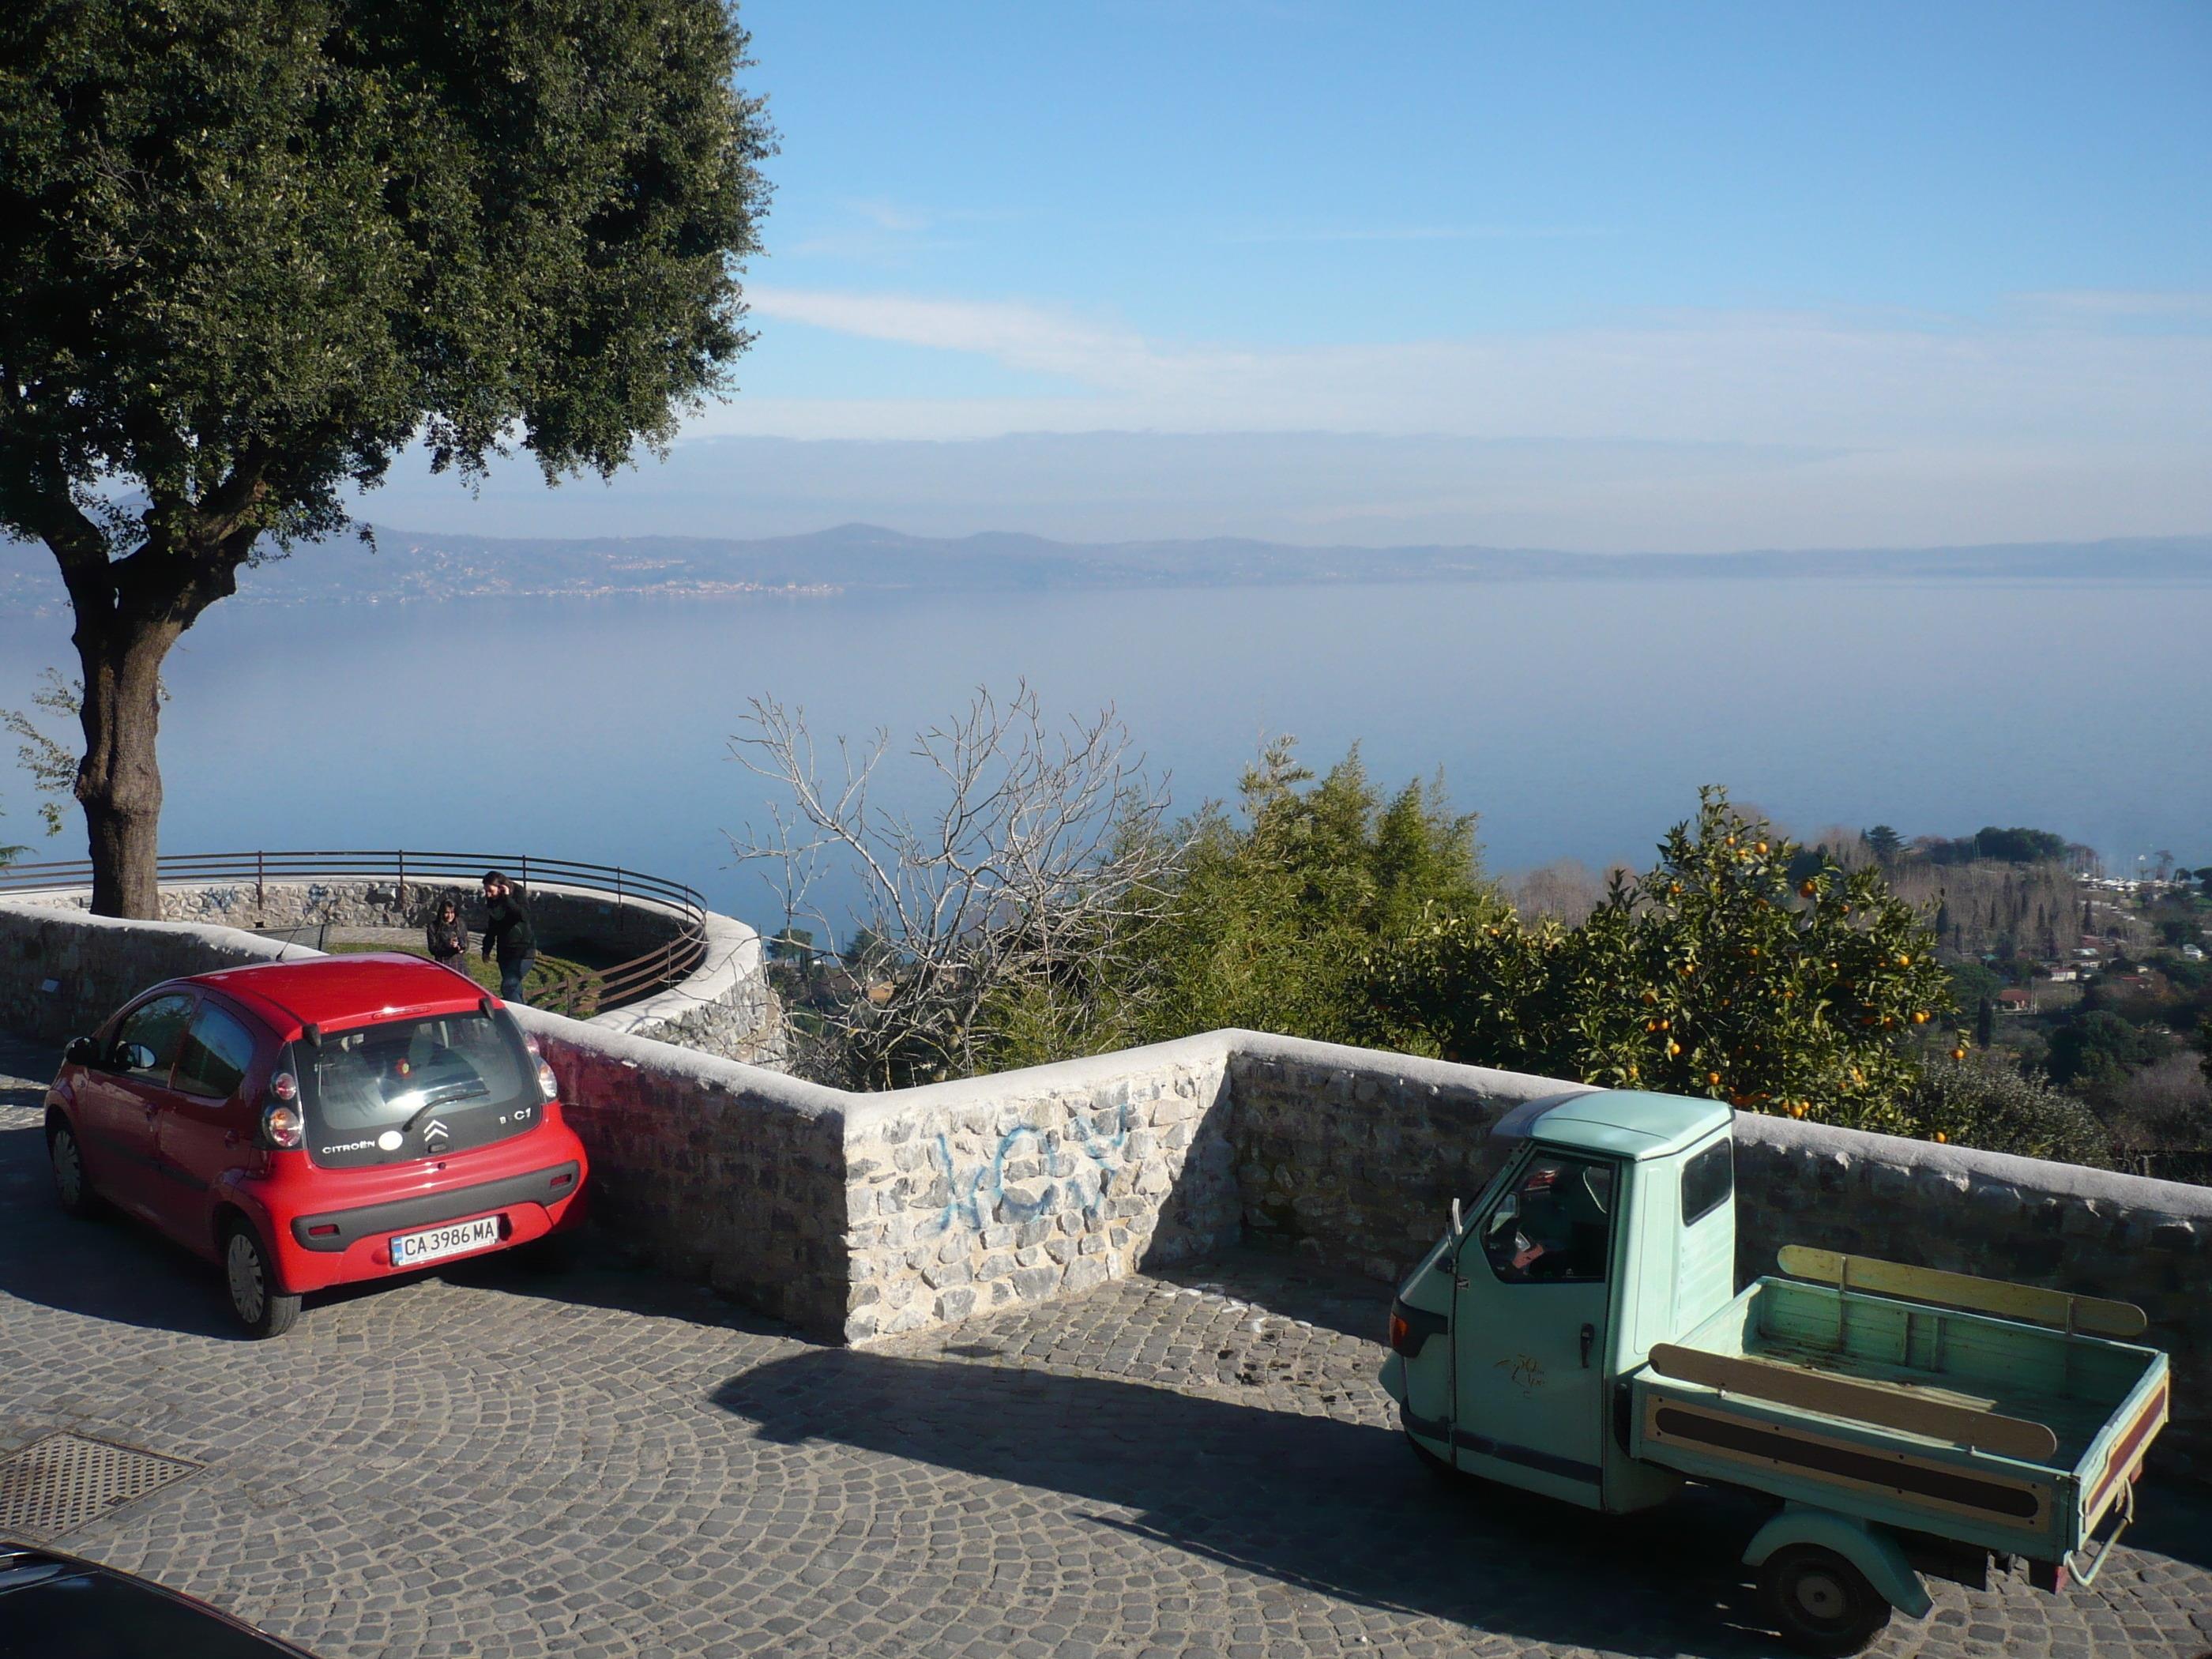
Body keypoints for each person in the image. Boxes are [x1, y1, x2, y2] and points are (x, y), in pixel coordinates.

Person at [479, 870, 537, 1003]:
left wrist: (507, 899)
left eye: (490, 891)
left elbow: (523, 916)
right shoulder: (492, 901)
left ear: (501, 888)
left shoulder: (517, 892)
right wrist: (486, 949)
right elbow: (492, 926)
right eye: (486, 891)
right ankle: (523, 1012)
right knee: (515, 989)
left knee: (509, 986)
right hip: (505, 952)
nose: (488, 894)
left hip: (523, 951)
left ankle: (518, 1014)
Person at [424, 895, 469, 975]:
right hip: (443, 963)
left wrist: (461, 947)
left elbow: (466, 942)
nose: (450, 916)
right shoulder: (434, 927)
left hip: (459, 963)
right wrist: (447, 945)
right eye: (447, 913)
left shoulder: (460, 924)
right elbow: (432, 949)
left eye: (452, 913)